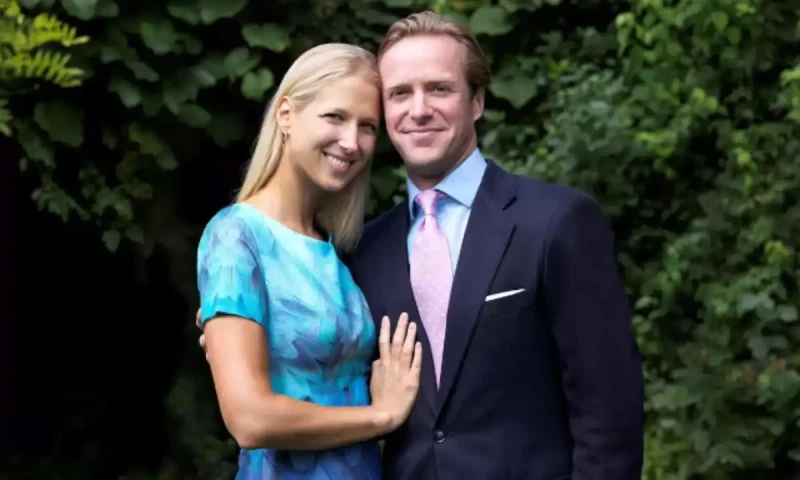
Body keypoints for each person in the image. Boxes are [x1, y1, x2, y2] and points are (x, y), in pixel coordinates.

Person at [200, 11, 644, 480]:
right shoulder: (364, 250)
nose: (418, 109)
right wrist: (227, 321)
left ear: (477, 101)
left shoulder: (556, 221)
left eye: (439, 89)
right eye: (399, 94)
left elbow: (610, 415)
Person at [194, 43, 423, 480]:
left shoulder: (336, 247)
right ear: (285, 114)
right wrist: (381, 417)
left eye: (368, 126)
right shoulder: (235, 236)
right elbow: (249, 420)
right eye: (335, 117)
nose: (351, 142)